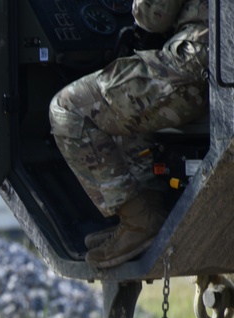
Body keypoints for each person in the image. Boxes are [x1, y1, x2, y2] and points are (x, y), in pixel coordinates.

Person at [48, 0, 208, 269]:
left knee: (68, 109)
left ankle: (138, 222)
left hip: (196, 65)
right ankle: (149, 212)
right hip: (213, 65)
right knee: (121, 102)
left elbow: (154, 15)